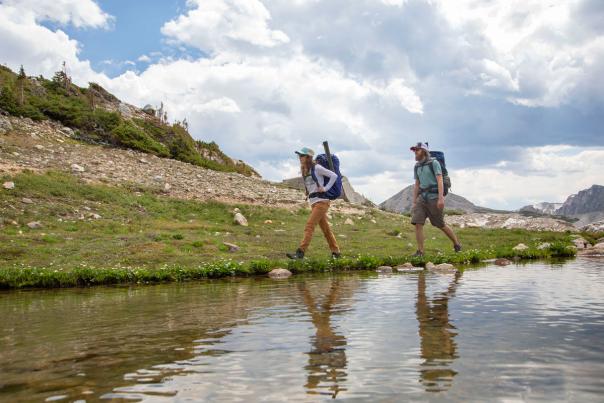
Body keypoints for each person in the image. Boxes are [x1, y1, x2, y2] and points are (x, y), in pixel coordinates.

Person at [287, 147, 341, 259]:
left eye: (302, 156)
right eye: (299, 156)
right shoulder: (305, 170)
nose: (300, 158)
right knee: (326, 229)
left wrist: (325, 188)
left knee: (309, 226)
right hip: (313, 202)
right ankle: (336, 252)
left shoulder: (317, 167)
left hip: (322, 201)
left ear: (308, 157)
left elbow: (334, 176)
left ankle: (300, 252)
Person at [410, 142, 461, 257]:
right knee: (418, 223)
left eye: (417, 150)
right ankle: (420, 252)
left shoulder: (434, 163)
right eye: (414, 151)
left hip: (434, 198)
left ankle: (457, 244)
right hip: (422, 198)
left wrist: (441, 199)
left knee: (440, 224)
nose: (415, 153)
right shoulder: (417, 166)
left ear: (423, 151)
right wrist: (414, 202)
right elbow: (417, 184)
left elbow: (440, 181)